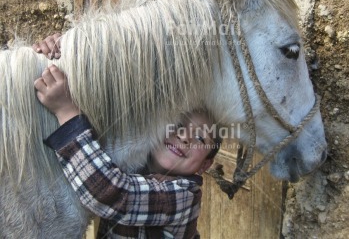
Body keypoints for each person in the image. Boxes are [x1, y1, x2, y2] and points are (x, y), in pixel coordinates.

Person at [33, 37, 222, 238]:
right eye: (178, 125)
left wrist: (67, 113)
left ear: (204, 166)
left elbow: (114, 197)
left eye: (201, 138)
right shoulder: (134, 160)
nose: (185, 137)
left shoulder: (185, 196)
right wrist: (65, 49)